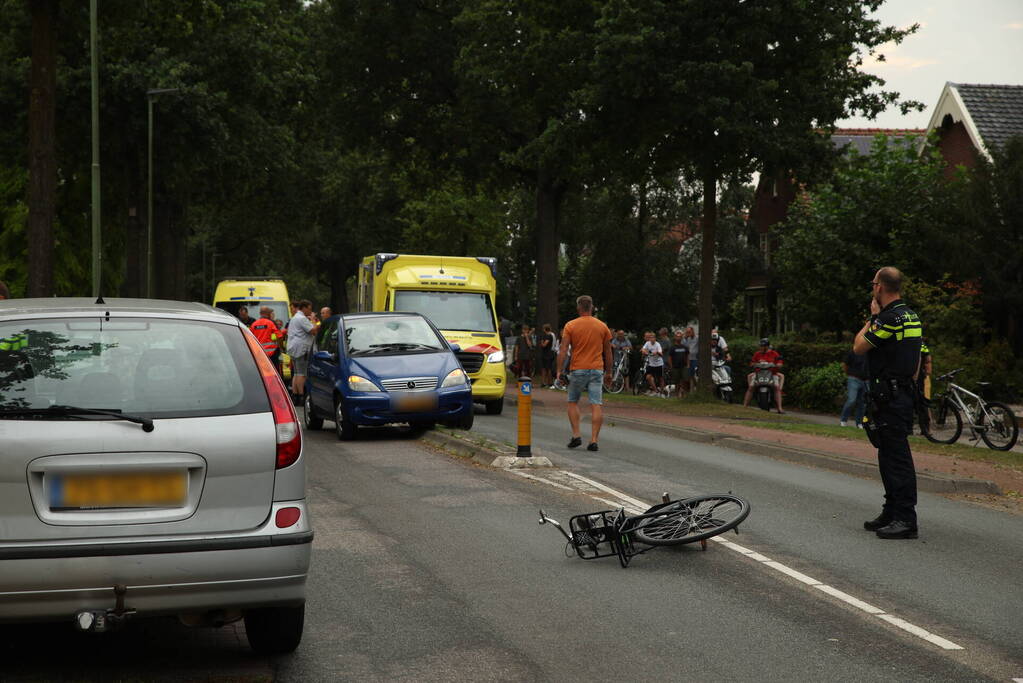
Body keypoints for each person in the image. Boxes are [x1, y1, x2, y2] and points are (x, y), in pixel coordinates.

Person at [853, 266, 923, 540]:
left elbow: (859, 346)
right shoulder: (911, 316)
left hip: (890, 398)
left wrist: (872, 317)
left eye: (873, 284)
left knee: (897, 458)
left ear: (880, 287)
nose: (873, 289)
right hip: (900, 395)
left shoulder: (889, 319)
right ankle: (892, 511)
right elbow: (917, 356)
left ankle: (906, 518)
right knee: (889, 456)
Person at [557, 295, 612, 451]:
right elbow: (608, 352)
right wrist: (609, 372)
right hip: (597, 369)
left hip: (578, 369)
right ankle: (594, 440)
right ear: (592, 307)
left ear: (578, 308)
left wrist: (559, 371)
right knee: (596, 404)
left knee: (573, 401)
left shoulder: (571, 325)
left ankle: (576, 435)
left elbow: (563, 349)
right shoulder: (602, 326)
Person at [742, 338, 784, 412]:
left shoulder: (774, 353)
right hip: (759, 374)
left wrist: (778, 365)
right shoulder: (757, 354)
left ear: (767, 346)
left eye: (763, 346)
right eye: (760, 346)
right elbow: (752, 362)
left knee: (777, 387)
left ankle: (779, 408)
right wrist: (753, 364)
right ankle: (745, 406)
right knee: (751, 386)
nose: (761, 347)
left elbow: (780, 362)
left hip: (772, 374)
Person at [287, 299, 316, 404]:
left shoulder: (295, 318)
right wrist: (313, 320)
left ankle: (295, 396)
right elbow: (313, 331)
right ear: (304, 308)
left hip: (293, 348)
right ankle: (302, 396)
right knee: (302, 374)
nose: (310, 311)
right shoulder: (302, 318)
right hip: (301, 350)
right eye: (309, 309)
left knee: (296, 373)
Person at [840, 347, 869, 427]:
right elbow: (844, 364)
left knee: (862, 403)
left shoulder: (869, 353)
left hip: (866, 380)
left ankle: (859, 423)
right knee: (851, 400)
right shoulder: (854, 351)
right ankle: (843, 420)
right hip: (854, 379)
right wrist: (849, 374)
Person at [251, 306, 282, 370]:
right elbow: (279, 336)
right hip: (272, 355)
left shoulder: (254, 324)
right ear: (268, 314)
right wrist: (278, 346)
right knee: (274, 372)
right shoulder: (270, 323)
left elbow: (250, 339)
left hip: (259, 354)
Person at [640, 331, 665, 395]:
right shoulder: (647, 343)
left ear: (655, 338)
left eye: (653, 337)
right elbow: (643, 349)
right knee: (648, 377)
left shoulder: (657, 344)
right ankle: (656, 391)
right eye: (650, 337)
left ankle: (662, 392)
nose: (652, 339)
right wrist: (644, 351)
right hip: (651, 364)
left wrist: (657, 352)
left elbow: (661, 353)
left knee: (661, 378)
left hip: (659, 364)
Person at [667, 330, 689, 397]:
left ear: (682, 337)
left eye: (680, 336)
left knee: (685, 380)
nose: (678, 338)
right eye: (677, 336)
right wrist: (671, 366)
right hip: (675, 367)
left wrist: (688, 365)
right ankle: (677, 395)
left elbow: (687, 356)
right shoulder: (672, 347)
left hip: (684, 366)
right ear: (675, 337)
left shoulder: (684, 347)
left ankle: (684, 394)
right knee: (676, 382)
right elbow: (669, 358)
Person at [681, 326, 698, 391]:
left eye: (689, 332)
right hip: (688, 359)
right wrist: (684, 337)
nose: (688, 333)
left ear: (692, 331)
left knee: (694, 375)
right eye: (687, 332)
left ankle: (696, 387)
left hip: (695, 359)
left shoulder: (697, 338)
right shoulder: (688, 339)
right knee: (689, 375)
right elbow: (683, 345)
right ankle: (691, 390)